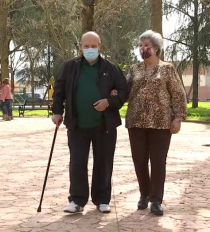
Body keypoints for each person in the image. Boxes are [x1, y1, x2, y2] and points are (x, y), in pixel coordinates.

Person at [51, 31, 127, 214]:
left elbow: (124, 91)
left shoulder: (111, 68)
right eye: (87, 46)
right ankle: (77, 200)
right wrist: (57, 112)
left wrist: (109, 101)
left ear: (100, 46)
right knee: (77, 162)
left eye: (94, 46)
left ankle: (102, 200)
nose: (90, 49)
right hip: (77, 124)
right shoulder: (70, 67)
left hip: (104, 126)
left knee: (104, 162)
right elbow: (59, 90)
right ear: (81, 47)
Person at [113, 30, 187, 216]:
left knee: (158, 162)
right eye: (141, 46)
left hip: (161, 123)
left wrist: (178, 118)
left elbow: (178, 94)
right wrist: (114, 93)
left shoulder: (168, 69)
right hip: (136, 122)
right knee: (139, 161)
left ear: (156, 48)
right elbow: (125, 90)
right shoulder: (133, 69)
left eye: (147, 46)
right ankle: (144, 195)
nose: (143, 49)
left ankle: (156, 199)